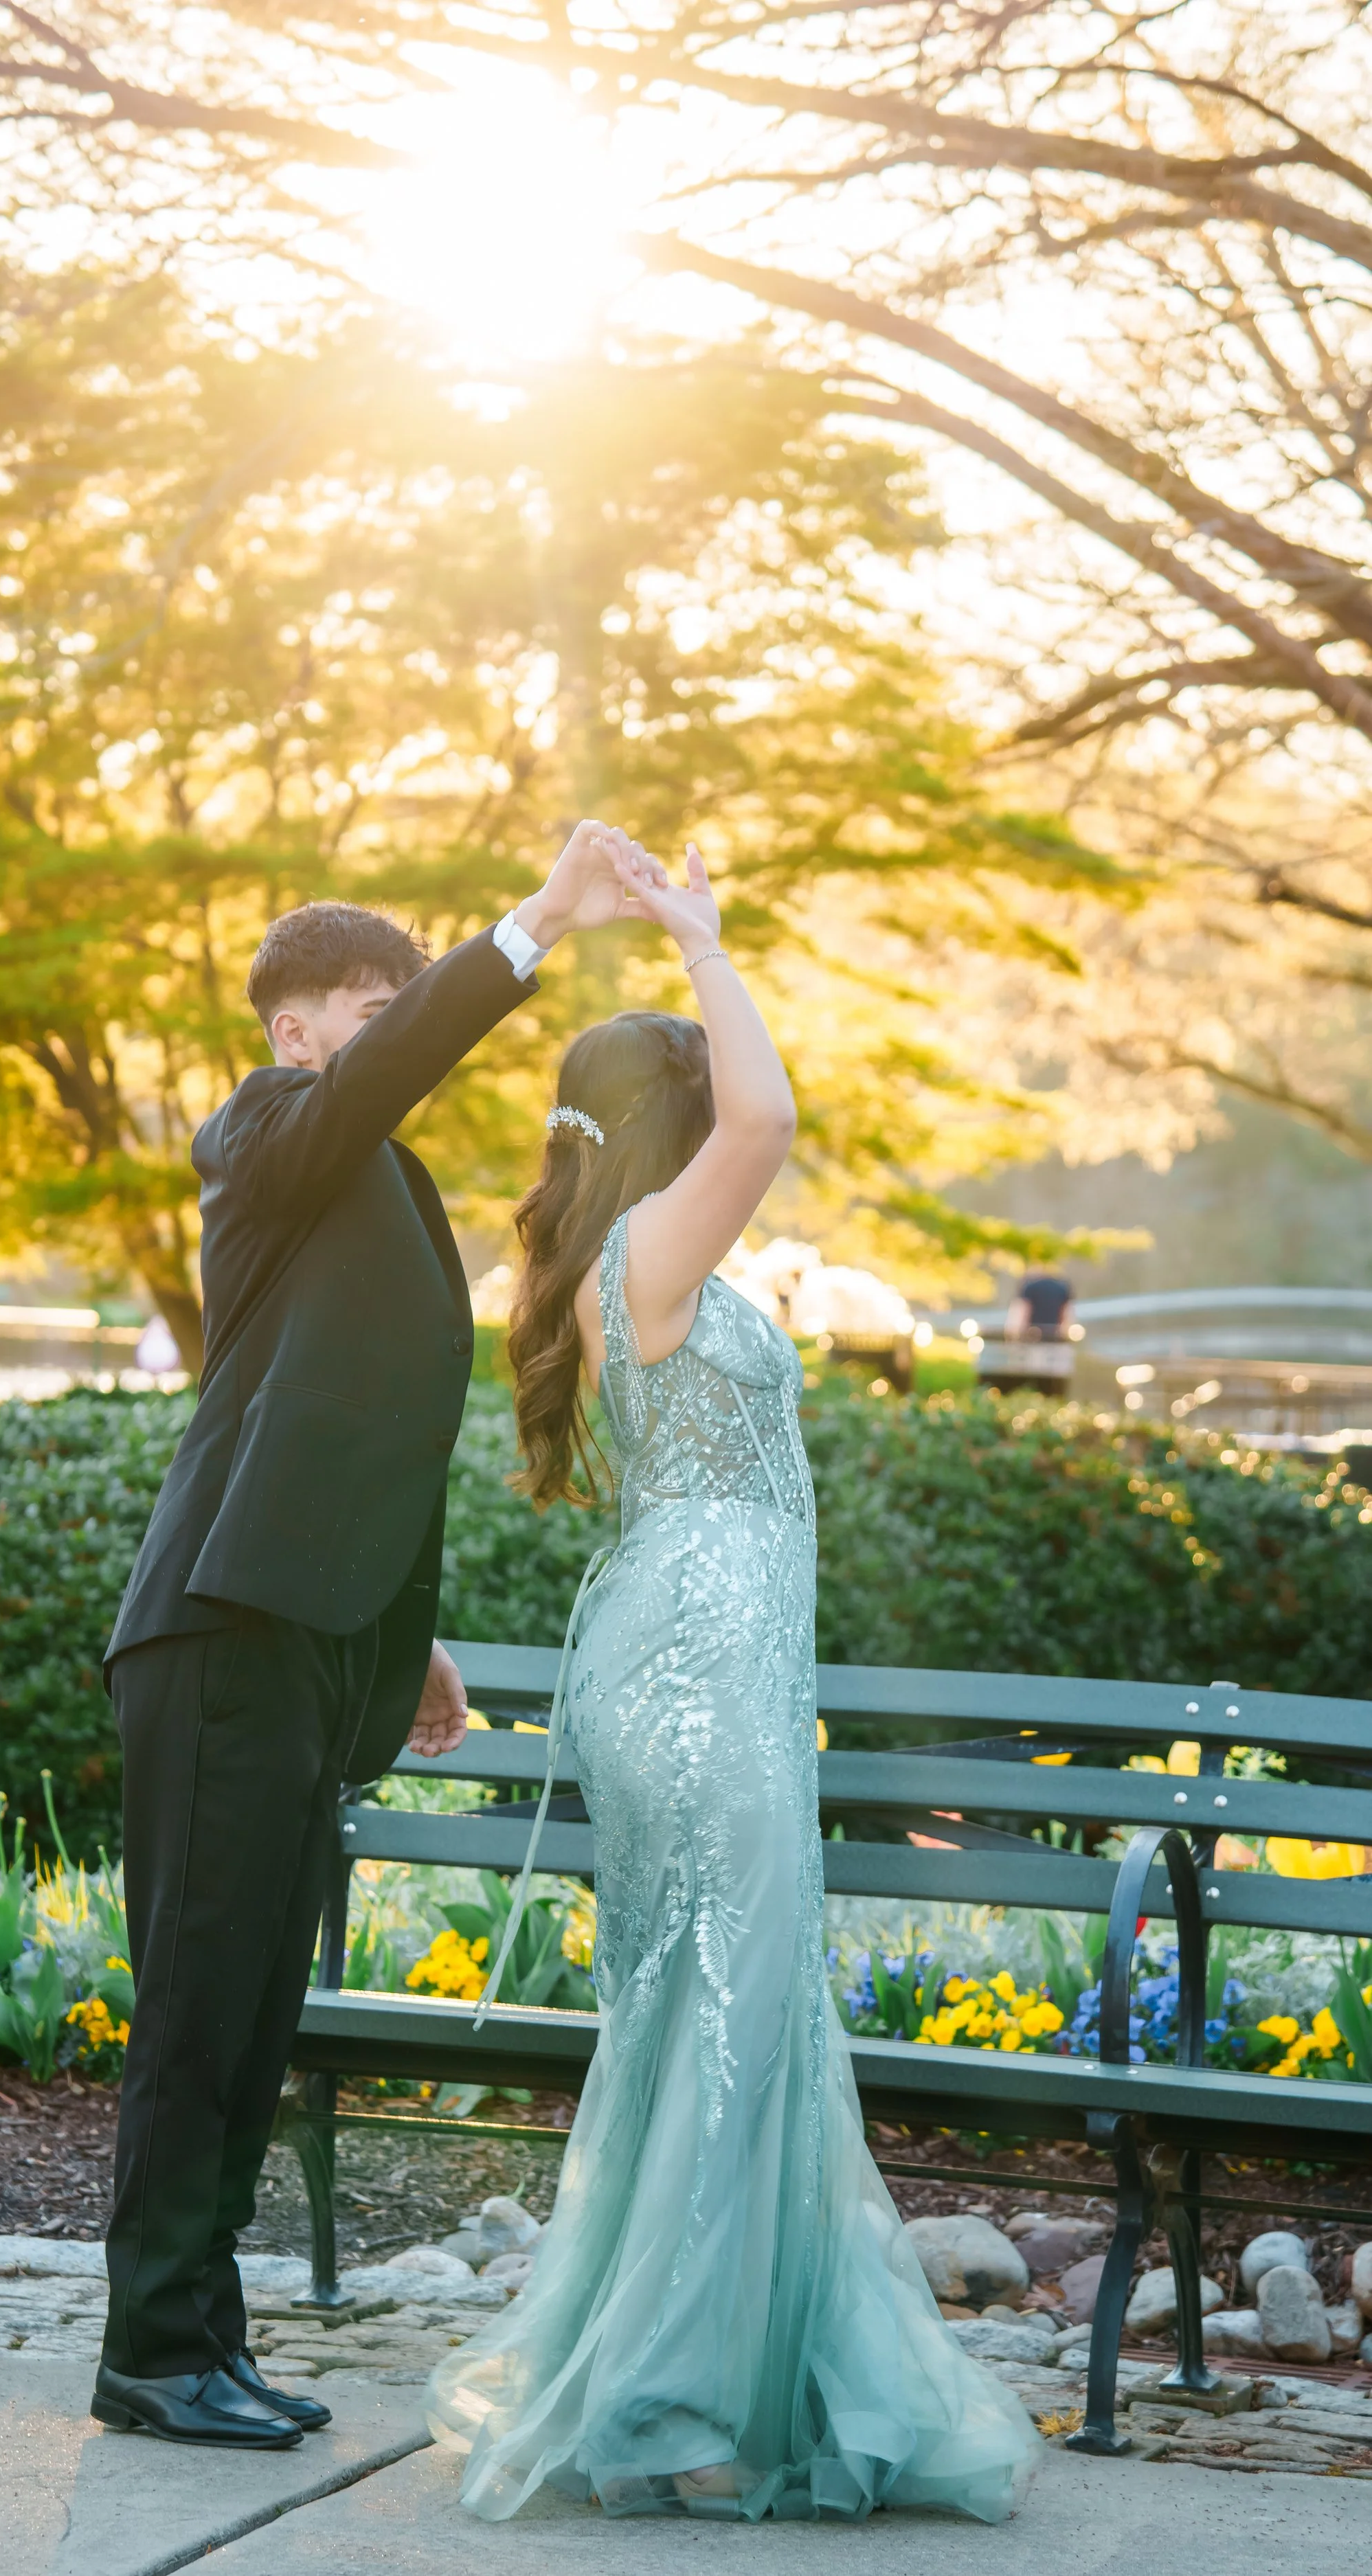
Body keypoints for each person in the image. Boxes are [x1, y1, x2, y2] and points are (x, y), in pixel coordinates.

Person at [427, 839, 1040, 2522]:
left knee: (720, 2014)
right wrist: (699, 939)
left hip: (700, 1661)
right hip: (696, 1670)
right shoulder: (649, 1240)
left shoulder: (632, 1255)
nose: (728, 1097)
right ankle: (678, 2402)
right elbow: (769, 1121)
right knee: (723, 2020)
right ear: (662, 1114)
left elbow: (751, 1121)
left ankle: (703, 2383)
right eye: (700, 1075)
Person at [93, 824, 651, 2449]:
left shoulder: (374, 1175)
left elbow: (369, 1422)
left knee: (256, 2005)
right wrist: (538, 921)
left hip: (308, 1635)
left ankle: (200, 2336)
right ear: (300, 1026)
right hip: (213, 1630)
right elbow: (393, 1067)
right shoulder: (268, 1127)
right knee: (200, 2003)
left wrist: (413, 1642)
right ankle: (148, 2350)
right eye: (380, 1000)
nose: (406, 1019)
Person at [1006, 1272, 1075, 1342]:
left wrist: (1014, 1337)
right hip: (1055, 1338)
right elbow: (1066, 1316)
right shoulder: (1062, 1288)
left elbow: (1021, 1315)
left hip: (1033, 1338)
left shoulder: (1029, 1287)